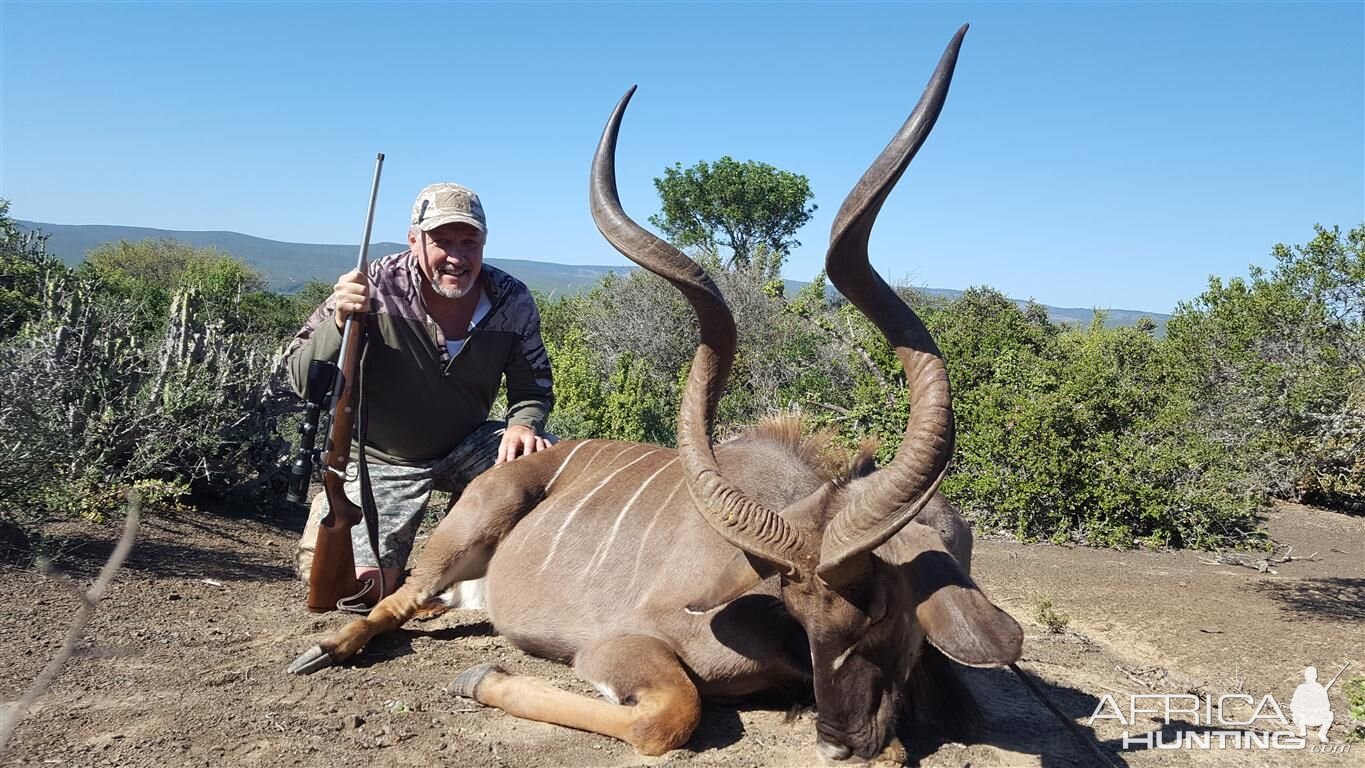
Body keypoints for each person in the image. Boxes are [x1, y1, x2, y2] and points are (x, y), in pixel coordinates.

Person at [285, 182, 555, 604]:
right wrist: (338, 322)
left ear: (484, 243)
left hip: (468, 445)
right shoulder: (373, 284)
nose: (456, 257)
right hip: (384, 459)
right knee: (361, 594)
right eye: (442, 241)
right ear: (414, 240)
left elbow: (533, 385)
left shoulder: (511, 298)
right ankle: (334, 514)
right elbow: (303, 377)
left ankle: (468, 556)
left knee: (547, 463)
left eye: (469, 242)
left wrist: (524, 424)